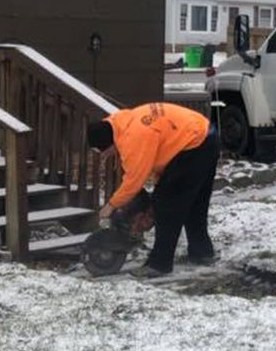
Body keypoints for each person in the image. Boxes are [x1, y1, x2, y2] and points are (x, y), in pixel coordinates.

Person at [87, 102, 219, 277]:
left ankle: (160, 264)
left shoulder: (133, 137)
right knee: (194, 202)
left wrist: (111, 205)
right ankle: (201, 252)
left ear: (109, 143)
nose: (106, 155)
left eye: (104, 151)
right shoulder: (120, 122)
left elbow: (134, 180)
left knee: (166, 205)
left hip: (193, 143)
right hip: (205, 133)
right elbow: (161, 149)